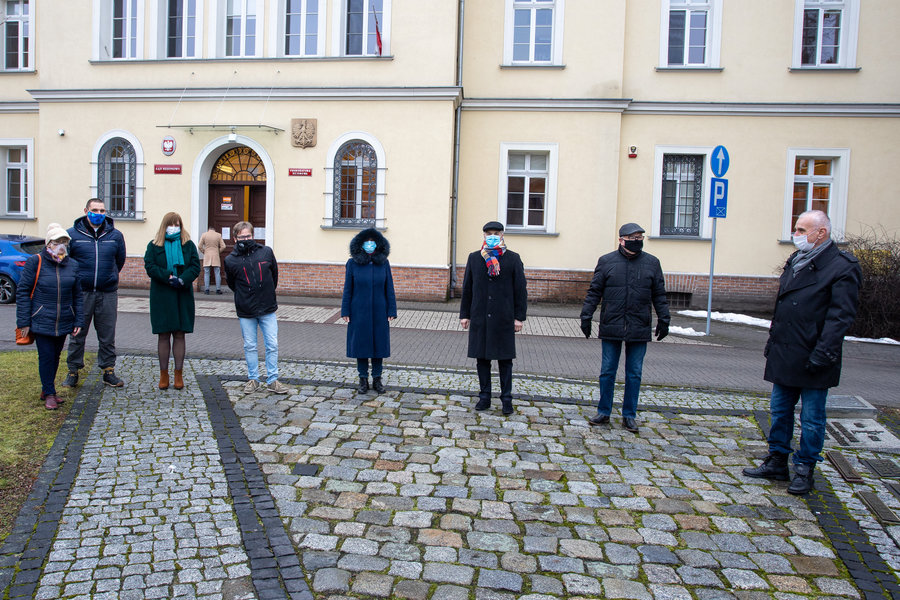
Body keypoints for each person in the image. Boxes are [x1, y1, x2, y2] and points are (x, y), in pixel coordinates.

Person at [743, 210, 861, 495]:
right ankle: (777, 460)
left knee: (811, 418)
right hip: (786, 351)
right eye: (795, 229)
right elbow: (782, 308)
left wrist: (822, 354)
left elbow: (840, 317)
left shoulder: (842, 266)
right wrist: (772, 342)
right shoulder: (796, 260)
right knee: (780, 411)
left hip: (815, 356)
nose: (796, 235)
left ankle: (805, 468)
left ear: (821, 233)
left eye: (801, 229)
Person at [580, 223, 670, 434]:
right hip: (613, 322)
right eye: (632, 237)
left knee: (634, 373)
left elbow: (659, 294)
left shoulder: (652, 263)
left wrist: (664, 318)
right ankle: (604, 411)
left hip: (639, 324)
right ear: (621, 240)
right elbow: (595, 291)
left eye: (640, 237)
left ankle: (629, 415)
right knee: (607, 371)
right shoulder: (607, 261)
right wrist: (586, 316)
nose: (637, 240)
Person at [459, 221, 527, 415]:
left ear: (502, 235)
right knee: (482, 359)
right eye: (489, 233)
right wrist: (465, 314)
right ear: (483, 236)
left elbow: (520, 290)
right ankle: (484, 397)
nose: (492, 236)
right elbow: (468, 288)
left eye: (496, 233)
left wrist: (519, 317)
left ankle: (506, 399)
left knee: (505, 361)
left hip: (504, 318)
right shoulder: (474, 258)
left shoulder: (513, 258)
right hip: (480, 316)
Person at [16, 224, 83, 410]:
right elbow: (23, 292)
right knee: (46, 356)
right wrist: (23, 321)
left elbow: (78, 295)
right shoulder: (35, 262)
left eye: (64, 242)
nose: (61, 246)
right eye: (57, 242)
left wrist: (79, 320)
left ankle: (47, 389)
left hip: (63, 320)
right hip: (41, 318)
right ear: (49, 244)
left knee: (55, 356)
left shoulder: (72, 265)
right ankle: (50, 393)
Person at [63, 198, 126, 389]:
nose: (99, 214)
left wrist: (110, 277)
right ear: (86, 211)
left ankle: (108, 371)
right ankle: (73, 371)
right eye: (95, 210)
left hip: (107, 293)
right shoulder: (72, 235)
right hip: (81, 294)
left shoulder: (115, 235)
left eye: (102, 210)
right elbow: (67, 262)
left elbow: (119, 261)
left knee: (107, 334)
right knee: (77, 334)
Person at [224, 222, 294, 395]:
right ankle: (253, 379)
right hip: (246, 309)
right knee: (250, 345)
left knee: (272, 344)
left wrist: (266, 292)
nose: (245, 239)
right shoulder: (230, 260)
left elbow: (274, 276)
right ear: (235, 238)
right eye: (242, 237)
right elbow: (232, 284)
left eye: (248, 236)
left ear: (253, 236)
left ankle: (273, 380)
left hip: (267, 307)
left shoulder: (266, 252)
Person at [143, 212, 201, 390]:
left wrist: (182, 279)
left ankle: (178, 374)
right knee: (163, 334)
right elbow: (150, 265)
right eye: (171, 224)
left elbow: (194, 266)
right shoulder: (154, 245)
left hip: (181, 294)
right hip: (162, 294)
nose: (174, 227)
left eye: (177, 224)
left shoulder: (188, 245)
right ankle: (163, 374)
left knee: (179, 334)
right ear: (164, 226)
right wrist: (167, 277)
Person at [341, 228, 397, 394]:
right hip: (359, 311)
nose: (370, 245)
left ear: (378, 244)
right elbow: (347, 289)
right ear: (361, 244)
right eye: (367, 242)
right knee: (362, 346)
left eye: (373, 242)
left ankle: (378, 379)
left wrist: (391, 310)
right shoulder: (352, 264)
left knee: (378, 346)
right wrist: (345, 311)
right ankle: (363, 379)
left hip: (380, 311)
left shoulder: (384, 263)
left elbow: (390, 288)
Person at [198, 225, 226, 295]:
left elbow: (199, 246)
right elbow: (224, 246)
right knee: (217, 273)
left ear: (208, 229)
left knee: (206, 273)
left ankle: (207, 290)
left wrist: (204, 251)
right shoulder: (218, 235)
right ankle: (218, 289)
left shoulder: (204, 235)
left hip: (207, 255)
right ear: (214, 229)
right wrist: (218, 251)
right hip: (215, 255)